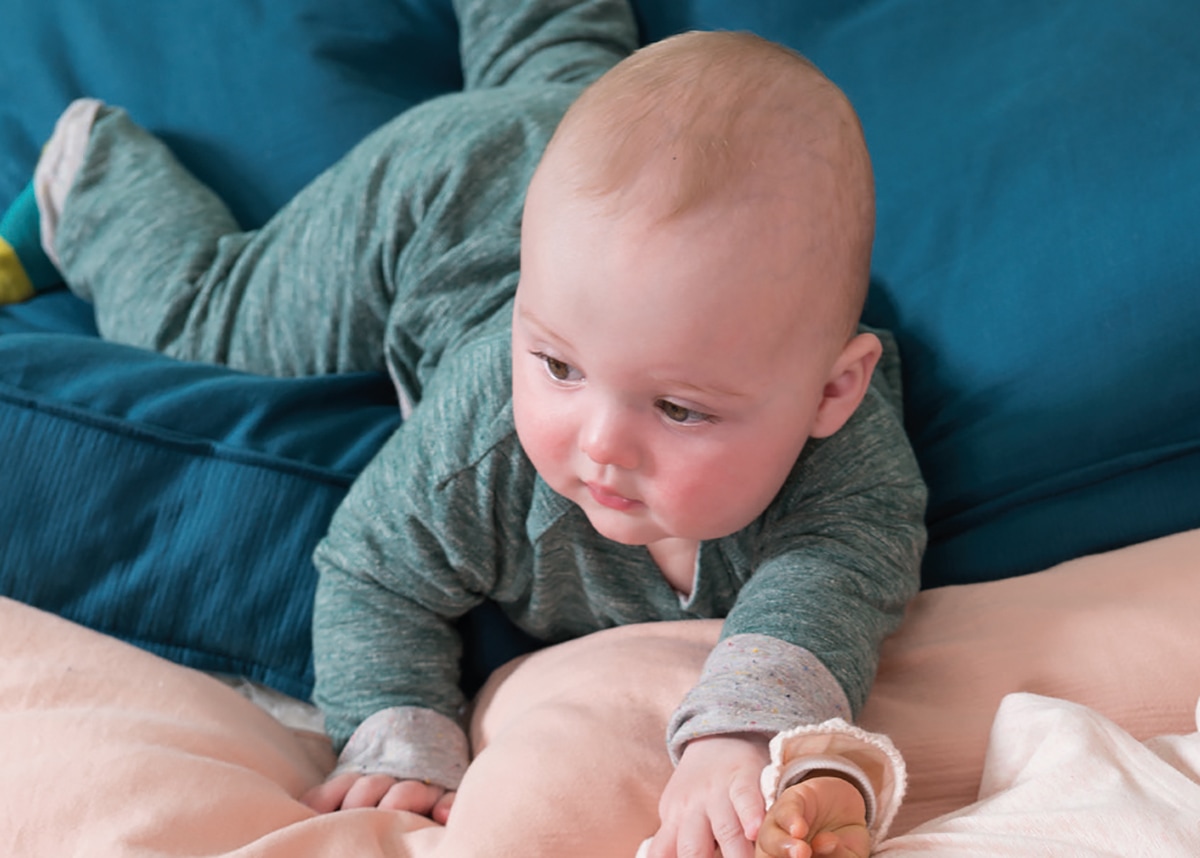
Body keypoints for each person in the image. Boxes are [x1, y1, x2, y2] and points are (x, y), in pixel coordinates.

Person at [0, 0, 926, 855]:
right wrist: (400, 725)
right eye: (557, 367)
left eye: (679, 409)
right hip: (441, 198)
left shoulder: (847, 452)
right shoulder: (485, 437)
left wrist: (740, 738)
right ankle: (90, 183)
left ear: (832, 392)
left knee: (560, 72)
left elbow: (837, 574)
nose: (599, 443)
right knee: (208, 322)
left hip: (591, 173)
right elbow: (371, 569)